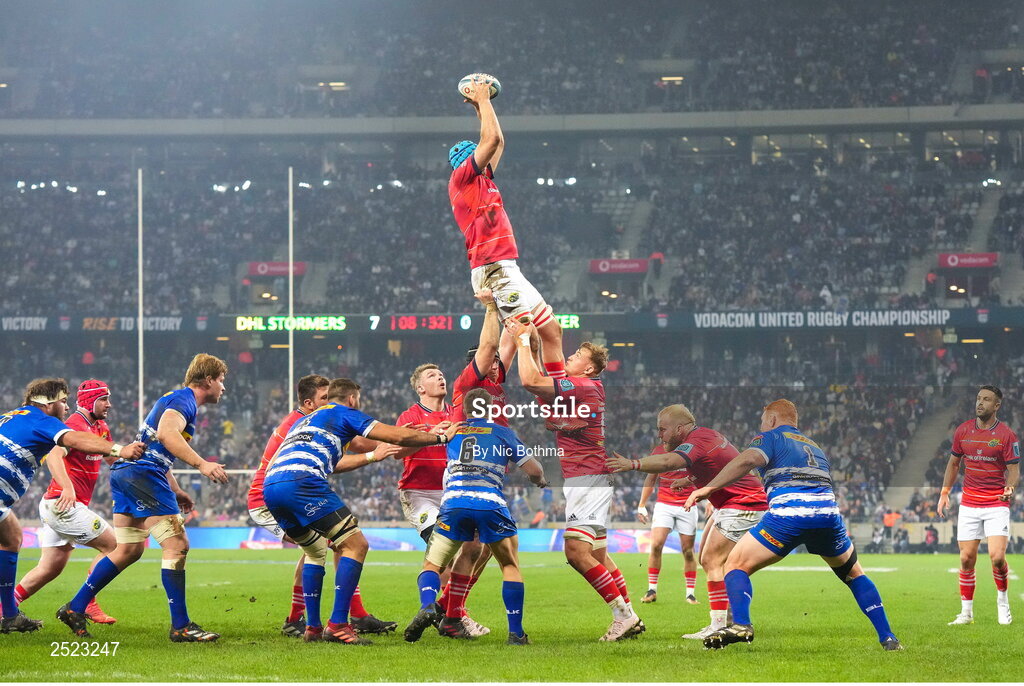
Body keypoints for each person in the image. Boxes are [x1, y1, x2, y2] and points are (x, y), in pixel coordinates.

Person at [684, 399, 902, 651]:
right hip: (828, 515)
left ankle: (741, 624)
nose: (761, 426)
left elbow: (747, 461)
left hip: (790, 514)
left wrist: (710, 487)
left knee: (734, 564)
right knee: (854, 574)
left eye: (763, 421)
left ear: (773, 420)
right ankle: (888, 638)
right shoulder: (814, 446)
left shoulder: (770, 437)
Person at [262, 378, 463, 645]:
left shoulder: (306, 421)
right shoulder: (344, 412)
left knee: (314, 550)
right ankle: (337, 625)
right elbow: (396, 436)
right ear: (353, 399)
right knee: (356, 545)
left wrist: (375, 455)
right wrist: (439, 437)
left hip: (272, 486)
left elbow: (336, 463)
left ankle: (312, 628)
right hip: (302, 481)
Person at [57, 354, 230, 642]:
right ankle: (181, 626)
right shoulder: (184, 400)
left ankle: (75, 608)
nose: (223, 388)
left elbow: (157, 448)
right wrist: (202, 464)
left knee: (128, 550)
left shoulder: (177, 400)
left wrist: (175, 489)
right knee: (176, 545)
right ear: (208, 380)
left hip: (128, 474)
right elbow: (166, 435)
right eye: (221, 381)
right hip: (143, 476)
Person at [507, 319, 643, 641]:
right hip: (589, 477)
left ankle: (623, 616)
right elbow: (547, 395)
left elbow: (530, 382)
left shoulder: (583, 386)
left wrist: (522, 342)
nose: (571, 356)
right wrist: (538, 349)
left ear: (589, 369)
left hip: (588, 479)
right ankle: (630, 615)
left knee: (574, 552)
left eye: (579, 354)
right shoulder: (582, 391)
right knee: (597, 555)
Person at [247, 374, 397, 637]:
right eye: (324, 398)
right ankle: (340, 617)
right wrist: (399, 442)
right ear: (308, 403)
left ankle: (311, 622)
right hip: (267, 499)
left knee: (318, 547)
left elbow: (359, 441)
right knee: (338, 541)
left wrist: (402, 440)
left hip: (281, 491)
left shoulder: (317, 419)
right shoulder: (303, 423)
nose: (330, 403)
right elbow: (361, 444)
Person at [607, 404, 767, 639]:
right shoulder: (707, 435)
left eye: (663, 430)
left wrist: (633, 464)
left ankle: (720, 625)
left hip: (744, 503)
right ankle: (724, 620)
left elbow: (669, 462)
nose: (659, 435)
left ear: (680, 428)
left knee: (713, 560)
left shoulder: (696, 440)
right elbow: (719, 463)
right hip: (734, 502)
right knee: (708, 559)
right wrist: (692, 479)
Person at [404, 388, 548, 645]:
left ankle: (428, 605)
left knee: (433, 565)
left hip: (454, 504)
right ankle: (516, 633)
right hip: (489, 504)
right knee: (510, 565)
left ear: (467, 410)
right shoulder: (502, 432)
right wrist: (541, 480)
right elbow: (534, 469)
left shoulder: (453, 430)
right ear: (491, 409)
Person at [0, 378, 143, 635]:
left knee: (44, 562)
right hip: (63, 504)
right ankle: (84, 603)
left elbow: (111, 459)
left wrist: (141, 467)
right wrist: (67, 486)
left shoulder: (15, 416)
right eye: (63, 401)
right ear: (48, 402)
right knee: (117, 547)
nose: (67, 407)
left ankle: (8, 613)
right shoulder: (61, 423)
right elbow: (60, 449)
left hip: (48, 504)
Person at [449, 75, 565, 378]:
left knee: (552, 330)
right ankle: (547, 398)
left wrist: (479, 106)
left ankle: (562, 389)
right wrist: (484, 99)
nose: (489, 160)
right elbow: (492, 141)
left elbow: (497, 141)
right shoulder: (462, 181)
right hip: (492, 269)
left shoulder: (482, 179)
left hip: (506, 266)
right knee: (527, 335)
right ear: (469, 161)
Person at [396, 359, 489, 636]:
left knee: (478, 549)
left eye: (441, 373)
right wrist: (426, 436)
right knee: (445, 550)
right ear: (420, 388)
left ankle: (444, 611)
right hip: (420, 493)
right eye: (432, 375)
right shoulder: (410, 417)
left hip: (453, 493)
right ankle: (455, 617)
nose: (440, 377)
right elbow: (396, 452)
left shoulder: (458, 416)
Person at [938, 385, 1019, 626]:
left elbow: (1014, 470)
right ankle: (966, 613)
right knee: (966, 559)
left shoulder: (1006, 435)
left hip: (996, 502)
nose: (980, 403)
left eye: (986, 399)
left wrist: (1010, 488)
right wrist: (944, 493)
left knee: (996, 557)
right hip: (970, 503)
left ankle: (1002, 603)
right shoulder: (963, 431)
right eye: (978, 398)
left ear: (997, 405)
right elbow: (953, 464)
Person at [634, 444, 704, 605]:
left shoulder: (692, 450)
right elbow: (651, 478)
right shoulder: (658, 451)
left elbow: (702, 475)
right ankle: (651, 590)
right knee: (656, 545)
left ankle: (690, 594)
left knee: (687, 551)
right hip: (664, 505)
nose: (662, 435)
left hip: (688, 505)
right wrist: (642, 505)